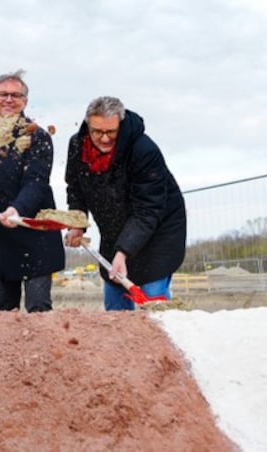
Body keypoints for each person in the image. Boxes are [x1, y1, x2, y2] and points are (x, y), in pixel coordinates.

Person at [63, 96, 186, 311]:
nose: (103, 139)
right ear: (88, 125)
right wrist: (77, 223)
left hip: (157, 230)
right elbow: (76, 188)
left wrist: (123, 253)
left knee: (153, 305)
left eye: (111, 132)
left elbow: (147, 210)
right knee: (115, 305)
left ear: (120, 124)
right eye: (97, 132)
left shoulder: (143, 150)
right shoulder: (77, 146)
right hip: (115, 230)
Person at [0, 69, 65, 313]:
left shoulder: (38, 137)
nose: (9, 100)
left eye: (15, 95)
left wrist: (17, 208)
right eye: (3, 94)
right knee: (5, 313)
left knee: (38, 310)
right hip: (3, 236)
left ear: (25, 102)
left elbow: (36, 181)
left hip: (36, 232)